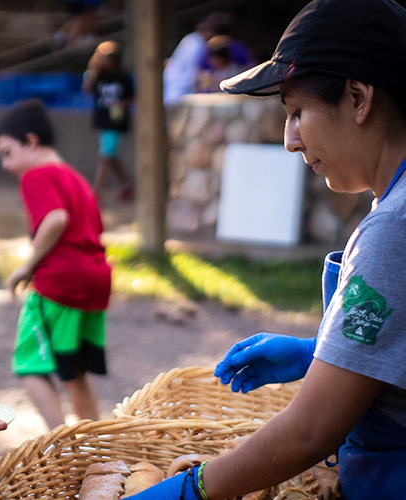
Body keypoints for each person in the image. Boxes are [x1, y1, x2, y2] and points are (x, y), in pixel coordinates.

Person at [128, 0, 406, 498]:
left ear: (359, 97)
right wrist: (321, 354)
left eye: (298, 112)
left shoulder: (394, 226)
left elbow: (308, 432)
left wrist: (191, 490)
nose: (290, 141)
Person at [0, 99, 111, 430]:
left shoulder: (35, 176)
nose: (5, 164)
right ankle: (95, 447)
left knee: (29, 364)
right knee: (74, 371)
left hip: (60, 284)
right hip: (94, 282)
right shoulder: (75, 178)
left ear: (31, 142)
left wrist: (27, 266)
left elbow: (56, 218)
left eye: (7, 152)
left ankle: (62, 446)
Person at [83, 40, 134, 201]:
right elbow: (87, 89)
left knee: (105, 155)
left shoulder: (123, 76)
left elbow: (132, 96)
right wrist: (92, 70)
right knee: (110, 155)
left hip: (116, 121)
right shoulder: (98, 75)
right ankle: (126, 184)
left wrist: (121, 105)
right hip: (102, 119)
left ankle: (96, 191)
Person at [163, 11, 230, 105]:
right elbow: (193, 75)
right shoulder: (197, 45)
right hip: (179, 95)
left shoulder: (191, 39)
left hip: (174, 93)